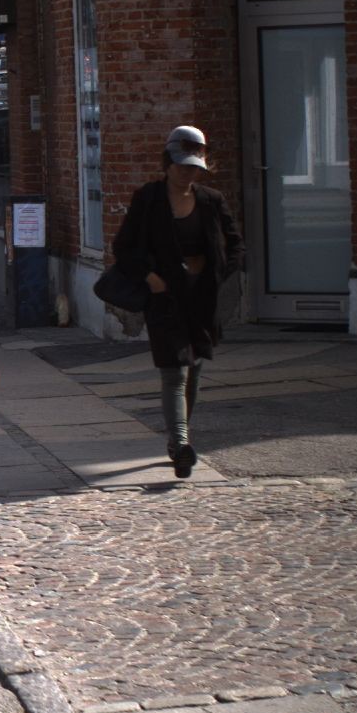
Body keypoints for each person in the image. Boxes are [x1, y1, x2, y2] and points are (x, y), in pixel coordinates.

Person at [111, 126, 244, 478]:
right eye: (182, 166)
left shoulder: (211, 200)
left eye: (194, 168)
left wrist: (215, 273)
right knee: (174, 370)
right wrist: (149, 276)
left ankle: (177, 438)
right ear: (167, 163)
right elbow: (123, 247)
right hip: (163, 298)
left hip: (201, 299)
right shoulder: (149, 198)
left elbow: (235, 245)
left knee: (193, 370)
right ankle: (181, 443)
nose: (188, 173)